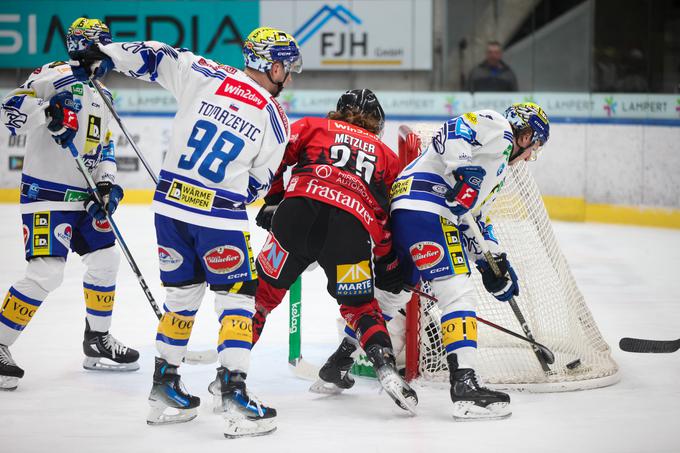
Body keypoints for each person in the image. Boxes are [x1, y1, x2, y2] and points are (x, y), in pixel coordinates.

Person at [68, 26, 302, 437]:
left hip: (170, 206)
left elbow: (156, 55)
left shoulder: (206, 72)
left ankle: (164, 387)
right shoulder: (275, 118)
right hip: (219, 214)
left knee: (180, 297)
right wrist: (226, 195)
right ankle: (233, 393)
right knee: (237, 300)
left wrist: (103, 52)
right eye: (288, 68)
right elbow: (259, 184)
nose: (290, 77)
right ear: (275, 65)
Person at [252, 89, 418, 413]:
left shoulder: (313, 126)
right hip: (349, 233)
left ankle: (230, 377)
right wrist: (385, 258)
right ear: (378, 124)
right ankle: (385, 367)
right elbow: (387, 214)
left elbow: (276, 155)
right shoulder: (386, 155)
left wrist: (273, 199)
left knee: (261, 295)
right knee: (361, 308)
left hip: (296, 217)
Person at [387, 102, 550, 420]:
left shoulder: (497, 172)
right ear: (526, 134)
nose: (531, 156)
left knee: (396, 290)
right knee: (458, 291)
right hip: (429, 209)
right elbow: (451, 131)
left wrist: (493, 262)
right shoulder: (499, 126)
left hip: (407, 210)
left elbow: (472, 219)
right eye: (535, 147)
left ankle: (343, 360)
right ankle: (465, 385)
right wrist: (464, 172)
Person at [0, 18, 138, 392]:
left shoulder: (104, 95)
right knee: (46, 272)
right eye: (102, 45)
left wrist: (107, 184)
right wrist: (48, 112)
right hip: (47, 195)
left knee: (106, 261)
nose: (108, 53)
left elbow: (104, 146)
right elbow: (10, 112)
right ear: (85, 46)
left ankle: (97, 340)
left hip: (86, 197)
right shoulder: (54, 74)